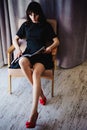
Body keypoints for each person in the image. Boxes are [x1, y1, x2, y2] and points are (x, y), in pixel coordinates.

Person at [12, 1, 59, 128]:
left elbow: (57, 41)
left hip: (42, 54)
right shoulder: (26, 25)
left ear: (40, 14)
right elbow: (15, 39)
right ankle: (42, 94)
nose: (33, 17)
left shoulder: (46, 25)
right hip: (29, 53)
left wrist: (50, 48)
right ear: (28, 14)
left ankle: (34, 113)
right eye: (31, 14)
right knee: (22, 62)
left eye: (36, 15)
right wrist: (18, 49)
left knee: (36, 73)